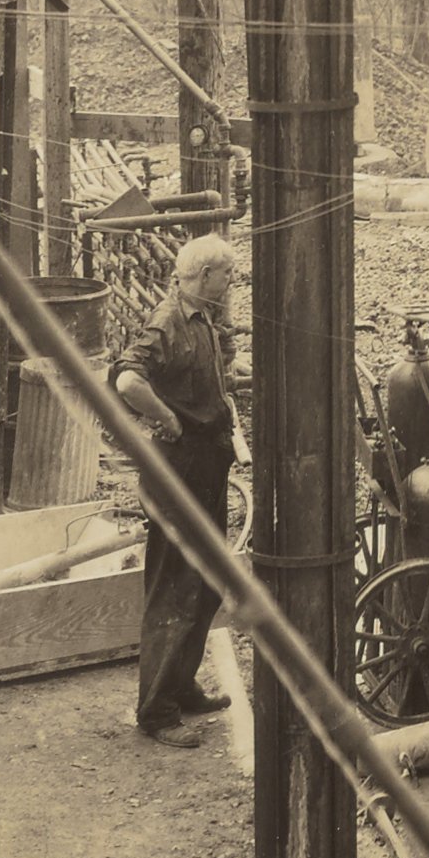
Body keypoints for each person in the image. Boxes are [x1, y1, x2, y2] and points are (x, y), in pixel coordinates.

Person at [110, 233, 247, 747]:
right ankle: (156, 711)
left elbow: (202, 373)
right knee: (175, 587)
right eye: (227, 273)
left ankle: (180, 685)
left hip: (206, 466)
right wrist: (167, 418)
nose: (231, 281)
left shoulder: (203, 317)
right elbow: (127, 381)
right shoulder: (167, 321)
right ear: (205, 275)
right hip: (178, 471)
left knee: (206, 583)